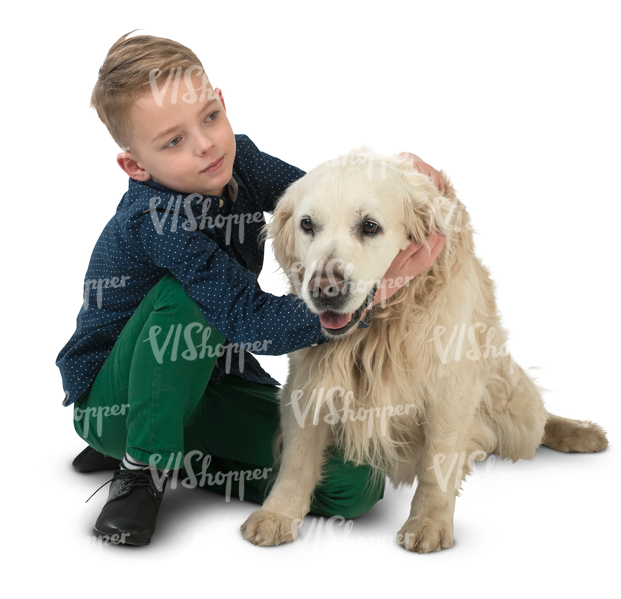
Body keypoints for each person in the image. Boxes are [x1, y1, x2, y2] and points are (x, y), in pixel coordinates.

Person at [56, 31, 446, 546]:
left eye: (210, 117)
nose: (205, 145)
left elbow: (318, 203)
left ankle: (191, 456)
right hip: (116, 395)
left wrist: (391, 192)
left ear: (222, 103)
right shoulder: (155, 222)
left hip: (207, 384)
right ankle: (140, 466)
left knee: (356, 484)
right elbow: (250, 320)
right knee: (187, 299)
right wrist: (379, 288)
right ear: (136, 166)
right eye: (174, 141)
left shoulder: (239, 160)